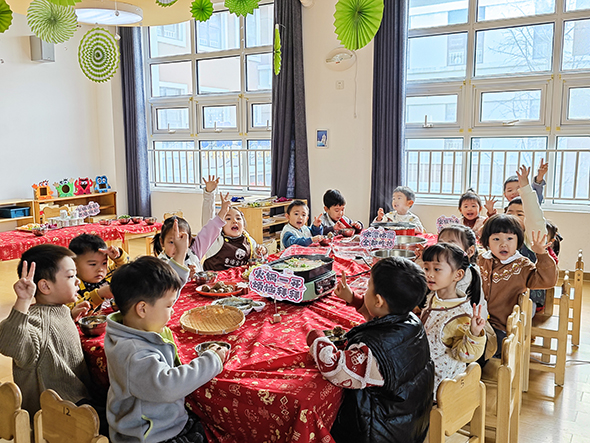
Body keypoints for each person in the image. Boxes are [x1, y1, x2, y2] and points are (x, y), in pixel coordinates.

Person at [307, 257, 434, 442]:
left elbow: (336, 369)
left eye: (368, 287)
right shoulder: (412, 321)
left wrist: (317, 338)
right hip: (409, 425)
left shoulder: (373, 355)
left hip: (378, 434)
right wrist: (354, 299)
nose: (365, 291)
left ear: (378, 300)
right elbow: (381, 320)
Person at [105, 256, 228, 443]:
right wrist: (212, 360)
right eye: (169, 306)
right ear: (142, 309)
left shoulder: (132, 327)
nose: (172, 311)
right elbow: (168, 386)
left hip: (164, 422)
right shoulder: (133, 353)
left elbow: (163, 295)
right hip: (151, 436)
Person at [0, 245, 100, 424]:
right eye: (71, 276)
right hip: (57, 414)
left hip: (76, 400)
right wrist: (23, 300)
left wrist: (71, 316)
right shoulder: (34, 321)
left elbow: (53, 330)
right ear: (45, 286)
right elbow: (8, 342)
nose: (78, 281)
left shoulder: (61, 309)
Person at [478, 214, 558, 357]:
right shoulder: (482, 259)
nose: (503, 244)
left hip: (502, 328)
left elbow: (547, 280)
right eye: (496, 239)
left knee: (480, 349)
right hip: (478, 322)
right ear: (487, 242)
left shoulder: (522, 265)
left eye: (509, 239)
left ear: (518, 241)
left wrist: (541, 254)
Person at [420, 243, 486, 393]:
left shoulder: (460, 316)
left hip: (439, 389)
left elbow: (464, 355)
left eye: (437, 269)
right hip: (424, 375)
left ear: (458, 275)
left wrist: (474, 333)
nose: (429, 274)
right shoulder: (434, 296)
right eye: (426, 268)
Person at [153, 191, 231, 278]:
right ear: (162, 242)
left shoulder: (194, 251)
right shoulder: (160, 265)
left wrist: (223, 211)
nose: (177, 247)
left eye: (182, 240)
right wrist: (186, 276)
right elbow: (167, 284)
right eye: (171, 242)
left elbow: (210, 230)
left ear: (189, 241)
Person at [201, 176, 267, 270]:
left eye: (238, 218)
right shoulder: (215, 240)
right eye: (228, 218)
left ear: (244, 225)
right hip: (217, 278)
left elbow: (257, 256)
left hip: (240, 278)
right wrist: (209, 193)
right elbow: (208, 221)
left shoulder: (248, 240)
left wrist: (262, 251)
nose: (234, 221)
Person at [68, 234, 129, 311]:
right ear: (74, 264)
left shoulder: (108, 276)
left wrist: (118, 256)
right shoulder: (72, 286)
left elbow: (126, 269)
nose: (100, 269)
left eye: (104, 263)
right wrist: (99, 294)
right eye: (93, 264)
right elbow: (71, 310)